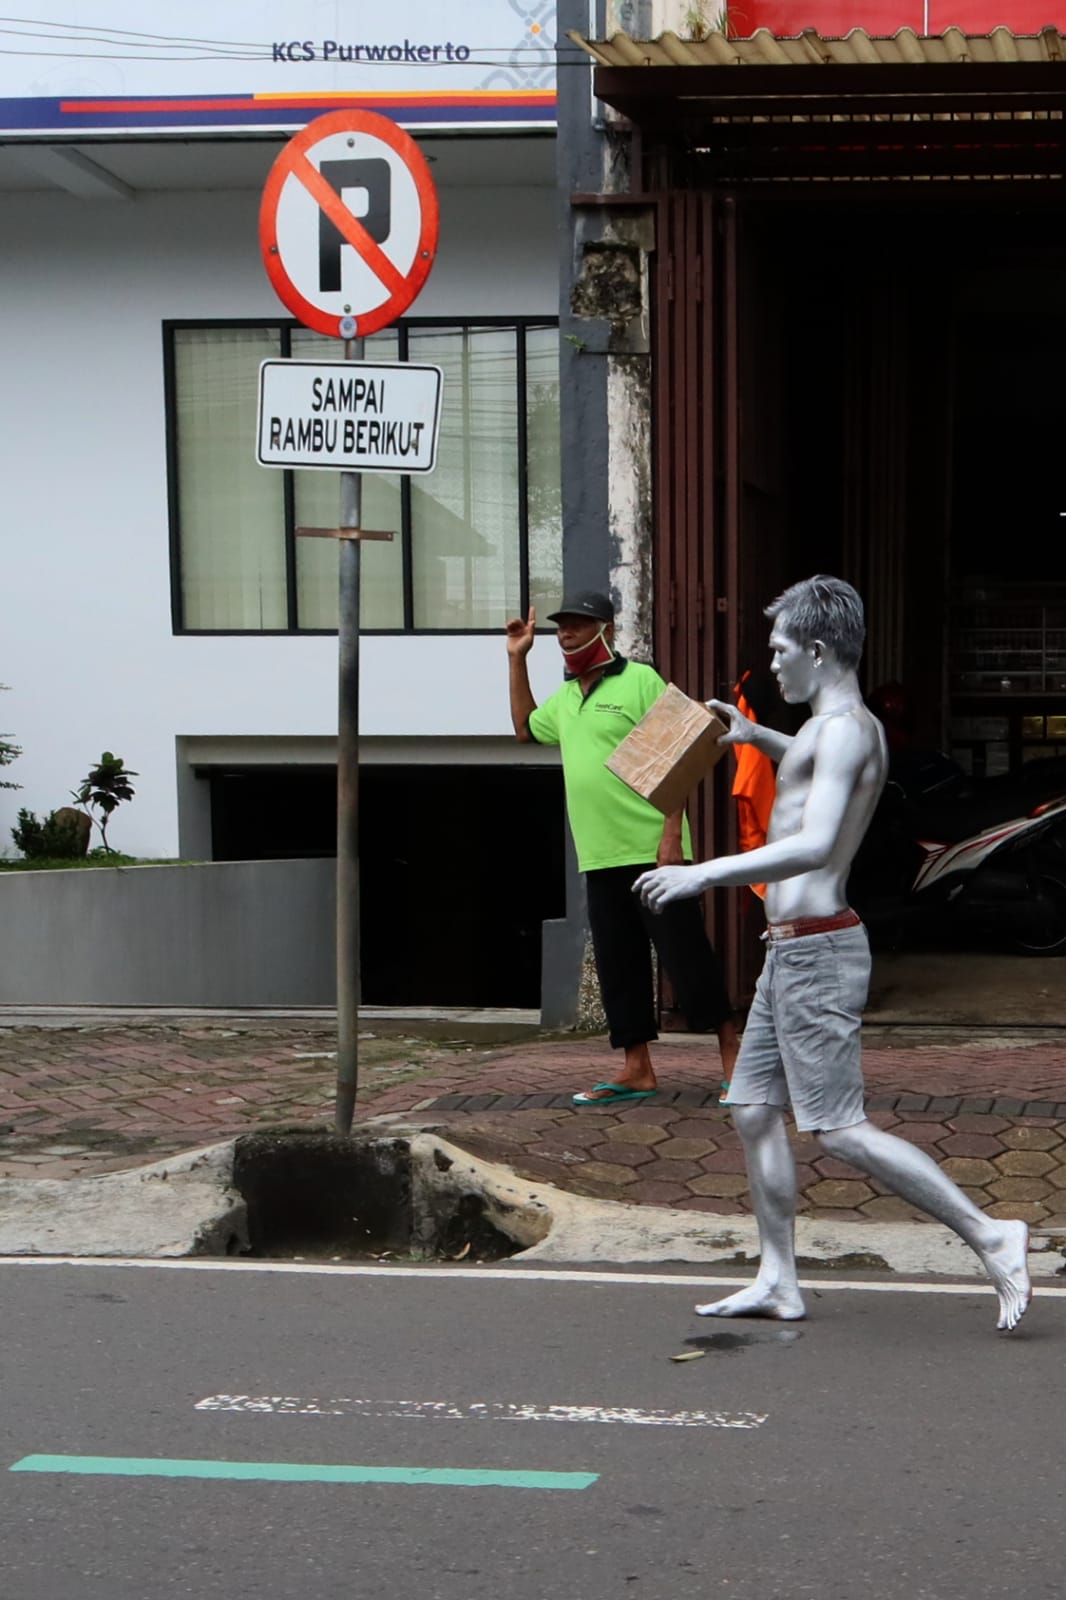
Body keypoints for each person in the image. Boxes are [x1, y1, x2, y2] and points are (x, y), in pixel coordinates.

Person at [636, 575, 1031, 1332]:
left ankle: (991, 1234)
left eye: (782, 650)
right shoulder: (830, 728)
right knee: (753, 1109)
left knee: (838, 1128)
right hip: (788, 951)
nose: (774, 663)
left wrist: (702, 874)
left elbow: (815, 842)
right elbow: (816, 771)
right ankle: (779, 1279)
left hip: (818, 952)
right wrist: (758, 738)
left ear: (819, 651)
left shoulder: (846, 730)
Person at [506, 589, 739, 1104]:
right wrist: (516, 659)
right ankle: (637, 1069)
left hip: (653, 849)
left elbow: (678, 751)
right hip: (600, 854)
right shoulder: (566, 700)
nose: (565, 633)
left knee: (686, 956)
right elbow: (524, 730)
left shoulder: (640, 681)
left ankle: (735, 1059)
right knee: (619, 963)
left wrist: (671, 834)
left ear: (606, 630)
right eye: (561, 626)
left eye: (577, 624)